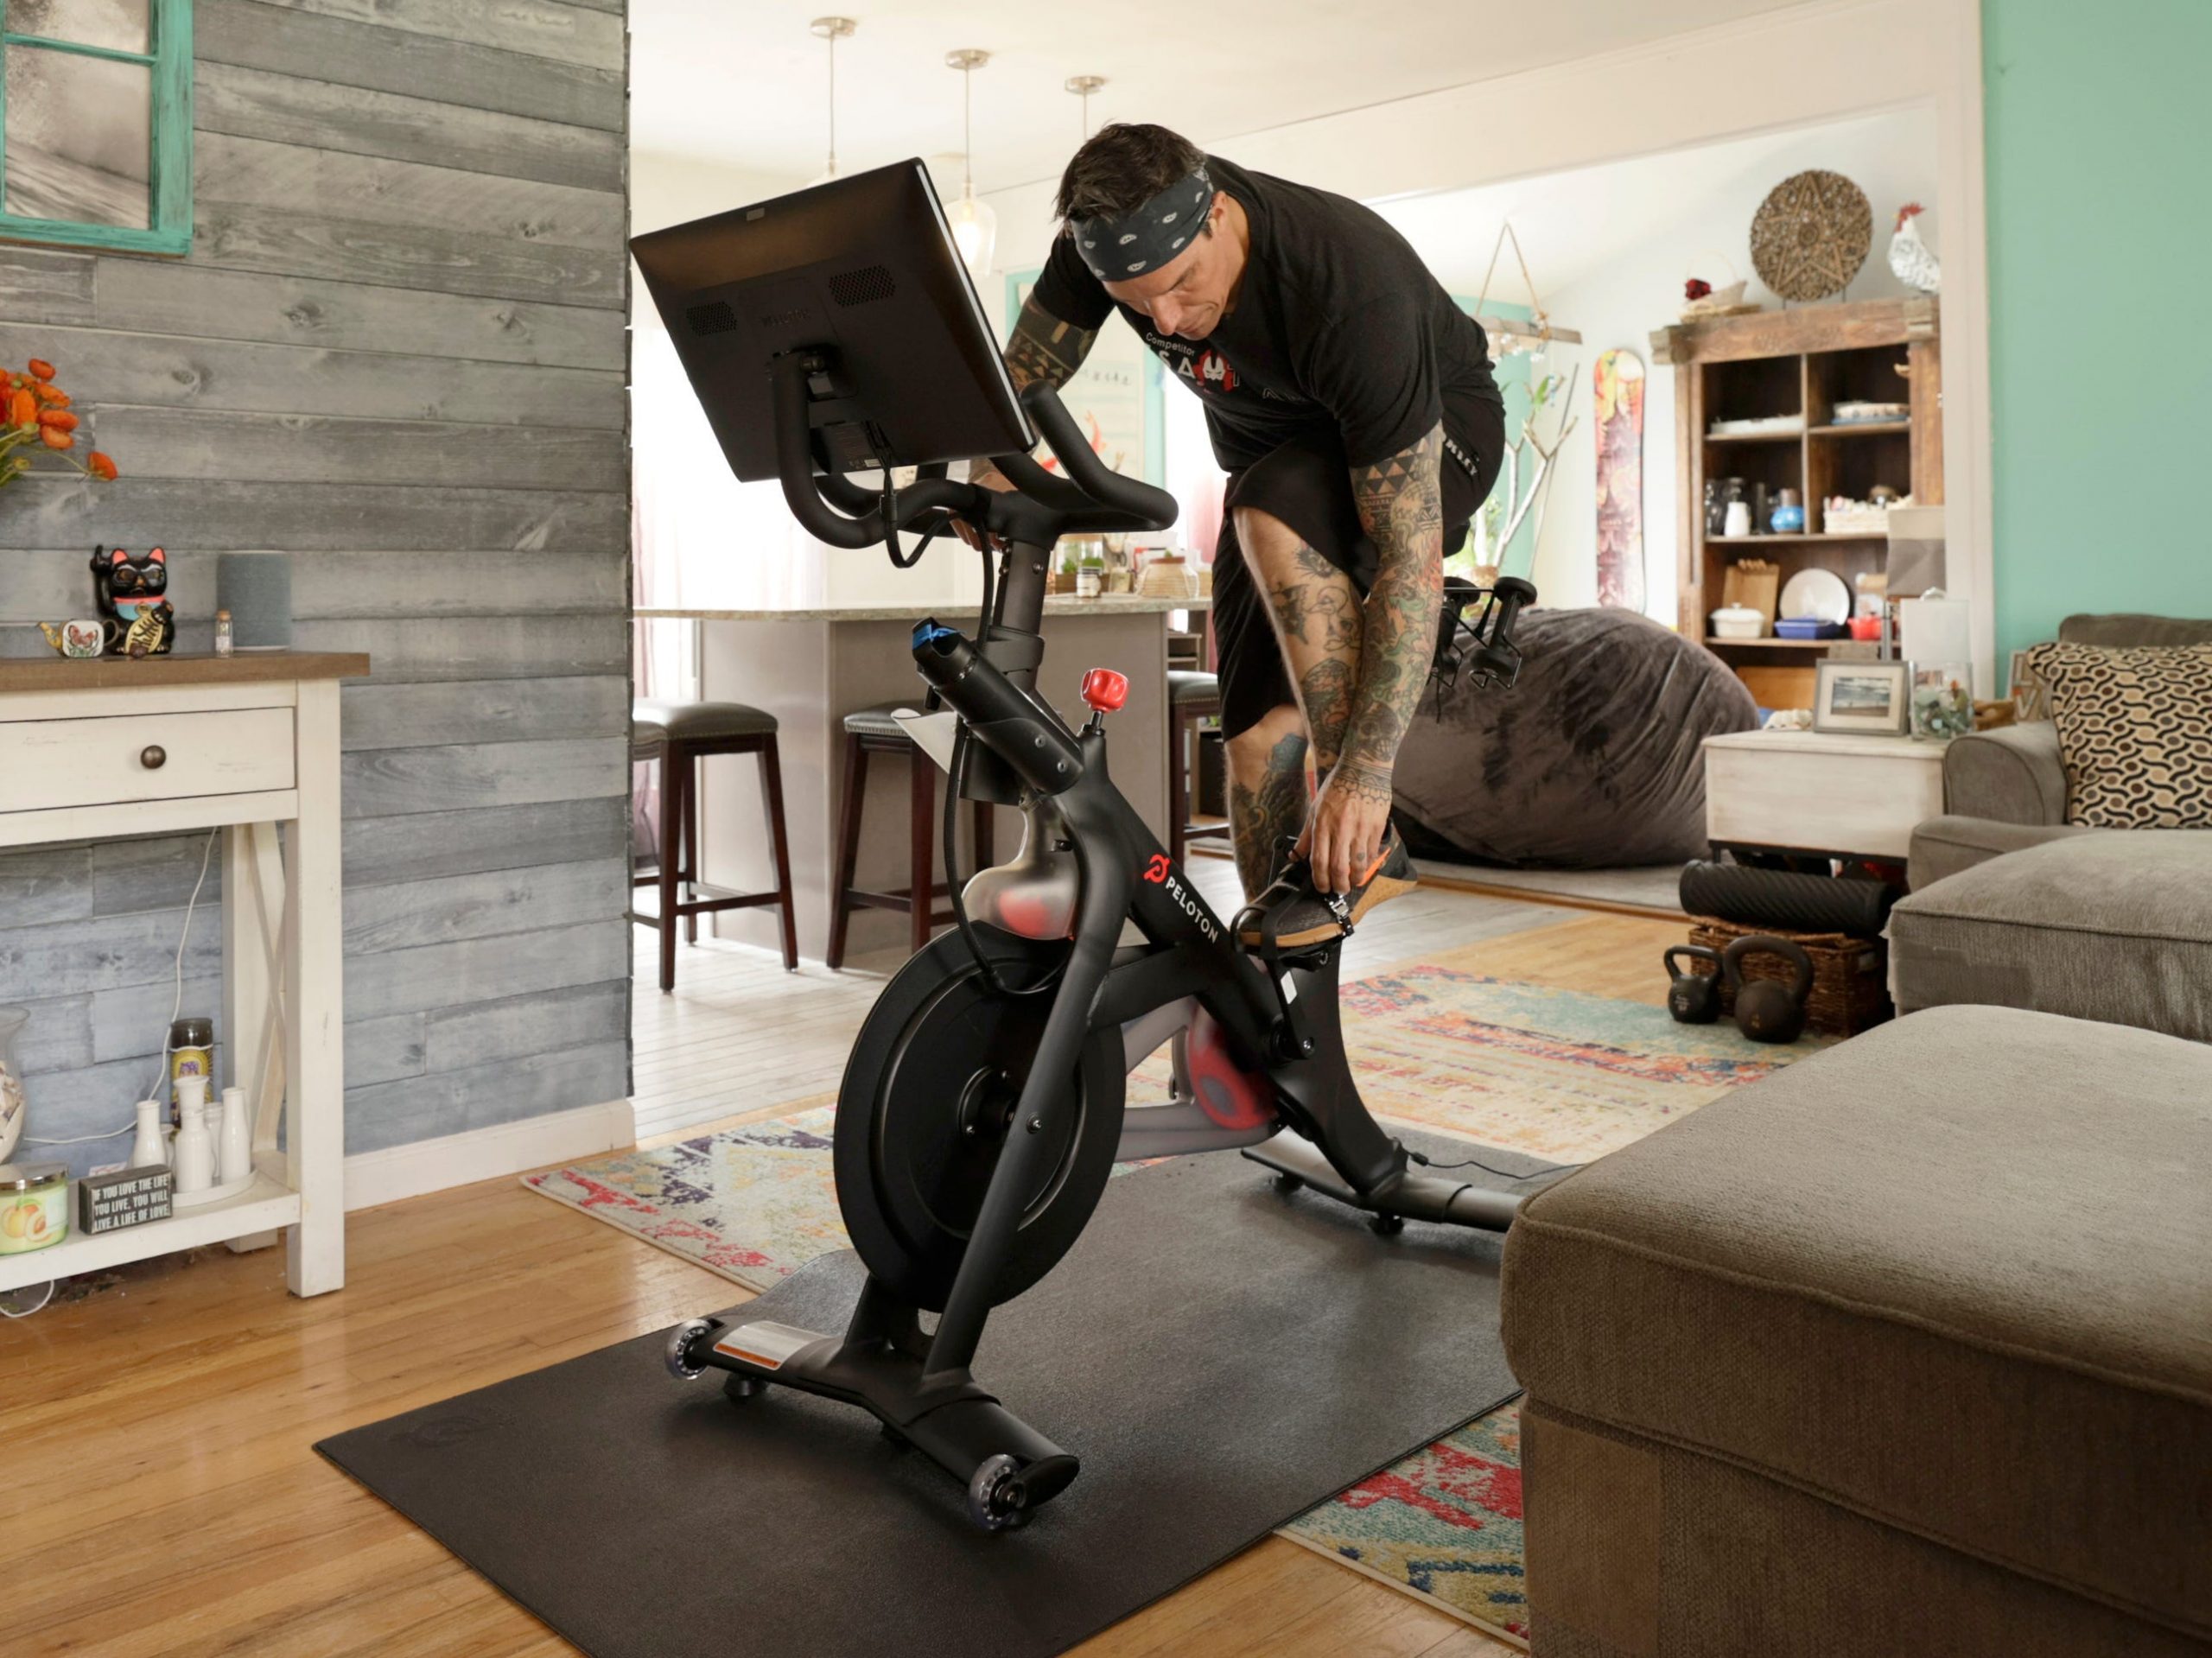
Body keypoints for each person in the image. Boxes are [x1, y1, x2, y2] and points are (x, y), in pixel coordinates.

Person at [964, 124, 1505, 947]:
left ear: (1218, 212)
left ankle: (1369, 850)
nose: (1170, 322)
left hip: (1442, 434)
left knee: (1265, 500)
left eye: (1182, 286)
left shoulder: (1348, 287)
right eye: (1138, 304)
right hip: (1272, 471)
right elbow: (1026, 372)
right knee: (1253, 744)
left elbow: (1409, 556)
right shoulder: (1102, 248)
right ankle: (1278, 965)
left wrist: (1363, 776)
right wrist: (988, 474)